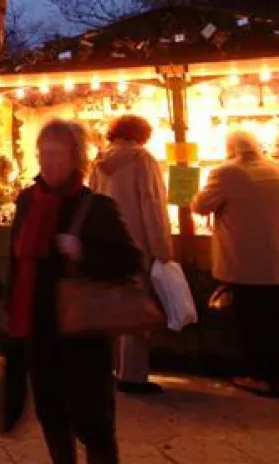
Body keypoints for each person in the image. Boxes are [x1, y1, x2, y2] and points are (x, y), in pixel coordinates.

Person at [7, 118, 142, 464]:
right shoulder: (27, 201)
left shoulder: (96, 207)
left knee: (94, 423)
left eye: (56, 153)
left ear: (75, 158)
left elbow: (130, 261)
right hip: (38, 331)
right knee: (51, 417)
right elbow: (16, 262)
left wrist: (84, 253)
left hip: (82, 337)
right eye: (42, 153)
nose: (47, 161)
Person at [191, 129, 279, 399]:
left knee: (251, 322)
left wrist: (189, 187)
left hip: (246, 261)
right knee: (278, 322)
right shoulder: (278, 170)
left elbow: (200, 206)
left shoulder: (226, 172)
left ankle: (258, 377)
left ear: (230, 148)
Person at [89, 114, 174, 395]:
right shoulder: (142, 160)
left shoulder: (99, 162)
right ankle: (133, 376)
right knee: (136, 311)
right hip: (134, 243)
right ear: (142, 134)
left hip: (104, 245)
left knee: (109, 309)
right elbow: (152, 204)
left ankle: (106, 370)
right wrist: (162, 248)